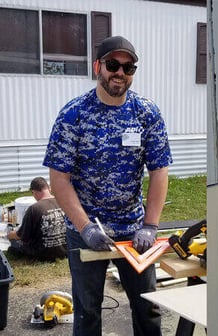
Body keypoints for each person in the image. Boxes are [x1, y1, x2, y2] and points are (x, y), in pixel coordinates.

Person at [43, 35, 172, 336]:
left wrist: (150, 225)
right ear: (97, 66)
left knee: (148, 306)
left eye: (128, 68)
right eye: (113, 65)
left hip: (133, 229)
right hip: (85, 228)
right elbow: (58, 179)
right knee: (87, 311)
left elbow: (159, 171)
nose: (120, 73)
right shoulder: (73, 114)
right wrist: (85, 227)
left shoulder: (146, 113)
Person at [7, 177, 67, 260]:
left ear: (33, 192)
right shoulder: (63, 202)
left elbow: (21, 236)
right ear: (49, 188)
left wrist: (10, 235)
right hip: (64, 250)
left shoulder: (34, 208)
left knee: (14, 243)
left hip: (42, 253)